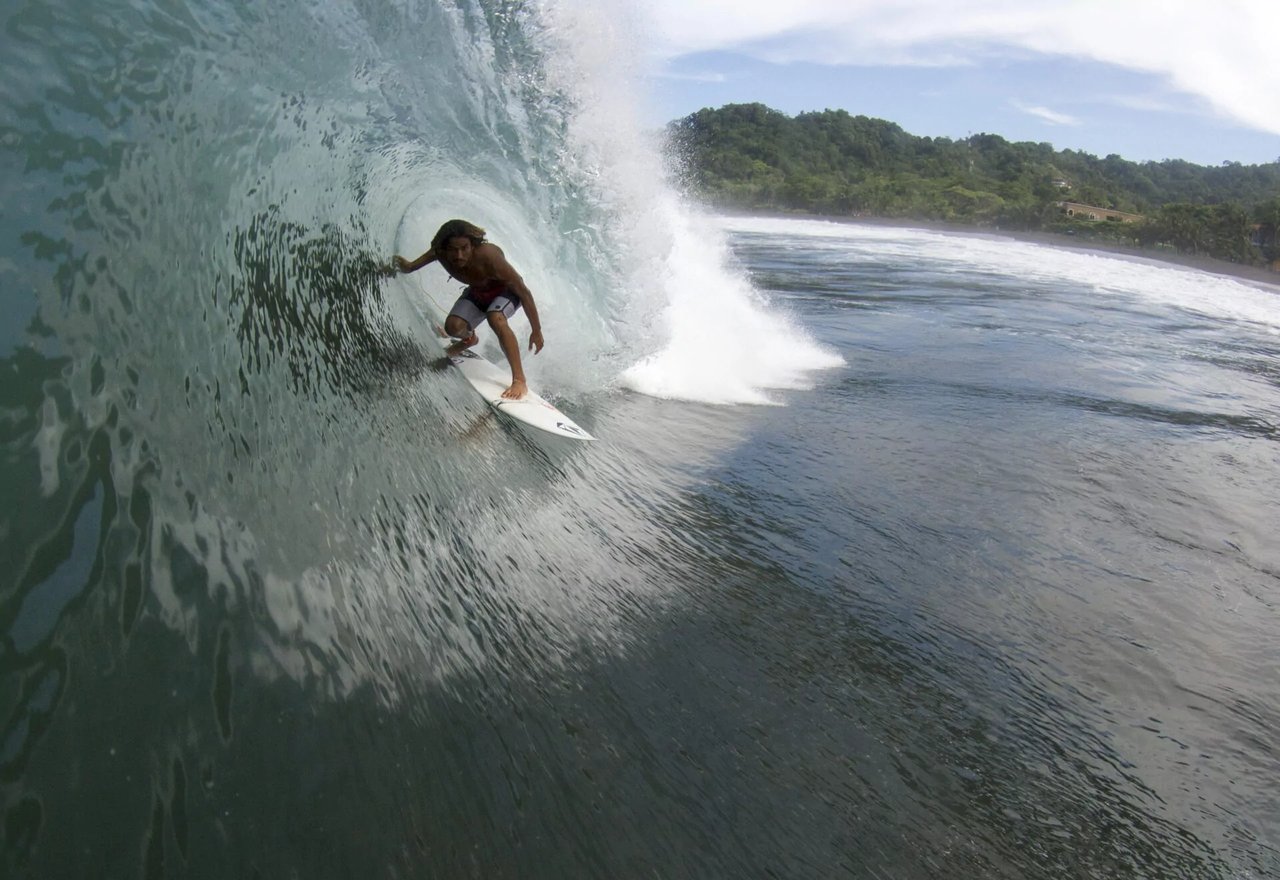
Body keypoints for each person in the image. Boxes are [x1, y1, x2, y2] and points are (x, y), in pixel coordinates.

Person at [393, 219, 544, 400]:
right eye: (453, 250)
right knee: (453, 327)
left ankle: (519, 380)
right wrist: (392, 267)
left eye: (464, 248)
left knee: (495, 317)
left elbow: (524, 292)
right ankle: (469, 340)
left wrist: (536, 330)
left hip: (507, 293)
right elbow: (410, 267)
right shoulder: (439, 253)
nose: (459, 255)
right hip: (478, 292)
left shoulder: (489, 256)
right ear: (444, 248)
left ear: (473, 245)